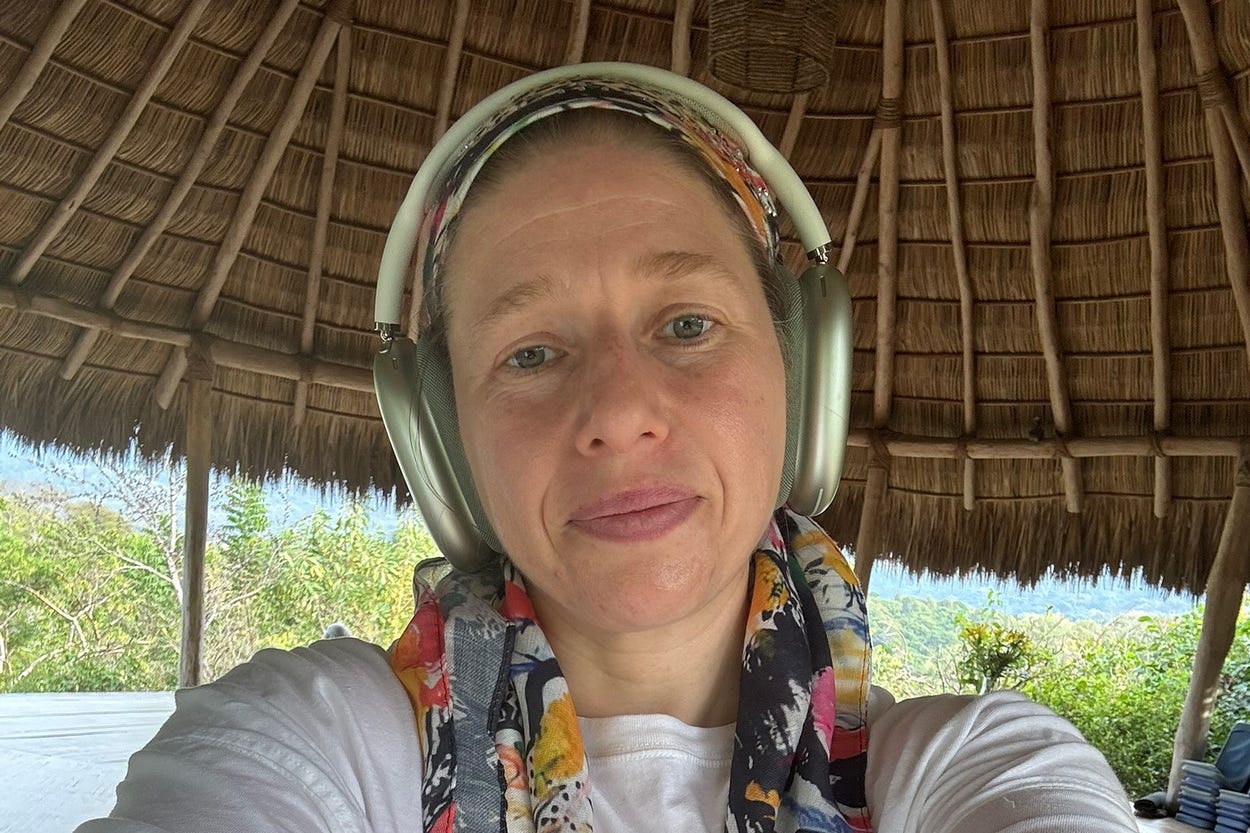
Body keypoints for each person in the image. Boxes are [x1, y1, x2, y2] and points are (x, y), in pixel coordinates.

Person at [78, 64, 1138, 833]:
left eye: (688, 323)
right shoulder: (314, 739)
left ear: (800, 377)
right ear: (445, 444)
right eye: (531, 352)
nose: (618, 411)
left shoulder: (978, 767)